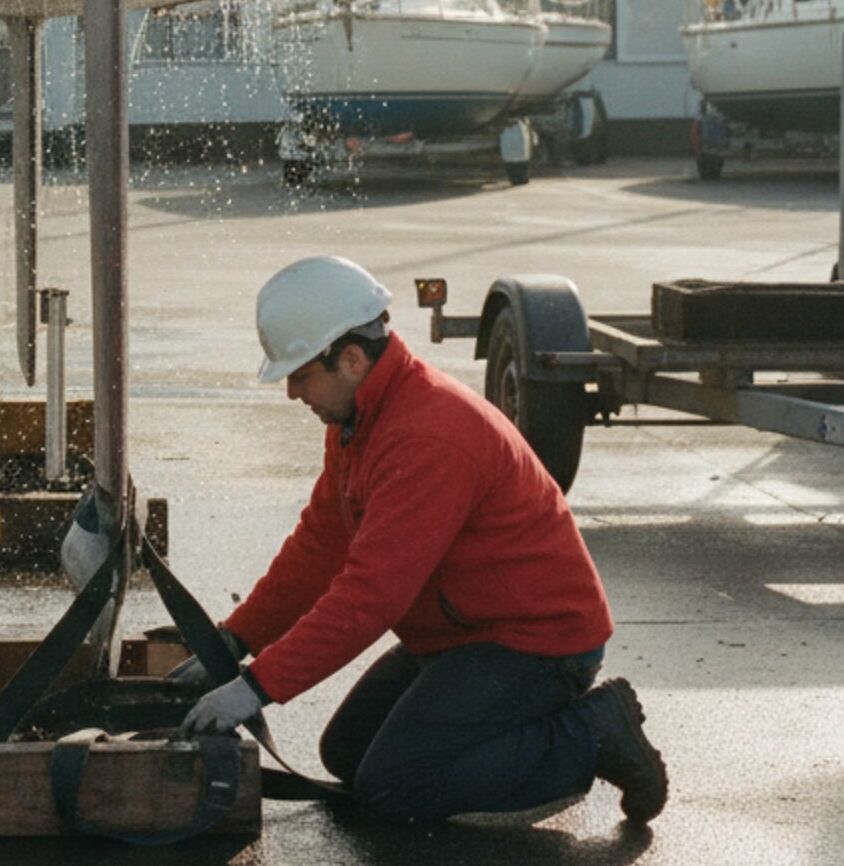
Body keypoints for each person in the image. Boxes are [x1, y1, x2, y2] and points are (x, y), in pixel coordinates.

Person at [179, 255, 668, 825]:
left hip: (535, 644)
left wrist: (255, 688)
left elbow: (371, 595)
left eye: (301, 374)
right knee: (347, 753)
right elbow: (322, 543)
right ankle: (527, 736)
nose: (292, 392)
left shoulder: (427, 435)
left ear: (352, 358)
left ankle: (595, 731)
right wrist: (234, 640)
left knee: (394, 786)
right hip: (466, 633)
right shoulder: (361, 420)